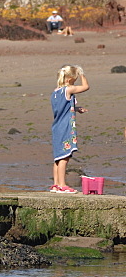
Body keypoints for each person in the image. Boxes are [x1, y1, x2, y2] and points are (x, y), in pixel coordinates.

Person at [51, 65, 88, 193]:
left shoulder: (56, 92)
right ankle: (62, 184)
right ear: (69, 79)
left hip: (56, 127)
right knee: (64, 156)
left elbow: (62, 109)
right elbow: (85, 87)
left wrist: (76, 109)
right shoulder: (68, 89)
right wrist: (82, 73)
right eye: (75, 79)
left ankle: (56, 184)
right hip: (65, 127)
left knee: (57, 157)